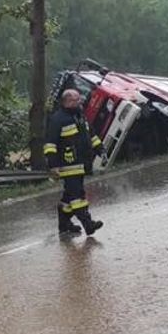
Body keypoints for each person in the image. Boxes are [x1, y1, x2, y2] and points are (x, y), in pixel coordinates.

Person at [44, 90, 105, 236]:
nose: (79, 102)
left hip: (81, 163)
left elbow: (91, 135)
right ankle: (88, 224)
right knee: (77, 196)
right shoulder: (57, 119)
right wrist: (53, 165)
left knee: (69, 196)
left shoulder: (80, 116)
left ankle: (64, 224)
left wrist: (100, 149)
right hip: (68, 165)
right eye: (75, 100)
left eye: (79, 99)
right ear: (67, 101)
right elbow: (50, 144)